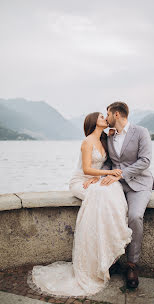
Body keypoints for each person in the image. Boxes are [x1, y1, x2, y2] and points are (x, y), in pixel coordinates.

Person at [27, 112, 133, 299]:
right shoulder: (87, 142)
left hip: (94, 179)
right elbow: (85, 169)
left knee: (112, 189)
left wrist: (100, 176)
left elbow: (103, 164)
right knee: (100, 196)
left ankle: (110, 250)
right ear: (94, 122)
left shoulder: (104, 139)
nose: (104, 118)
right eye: (101, 116)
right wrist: (99, 175)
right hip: (81, 182)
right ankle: (94, 263)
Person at [100, 101, 154, 289]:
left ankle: (132, 264)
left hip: (139, 184)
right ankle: (113, 258)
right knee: (107, 213)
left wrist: (121, 174)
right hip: (116, 185)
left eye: (107, 114)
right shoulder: (109, 136)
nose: (105, 118)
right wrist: (101, 176)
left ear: (116, 114)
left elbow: (145, 161)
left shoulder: (141, 132)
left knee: (135, 216)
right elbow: (108, 162)